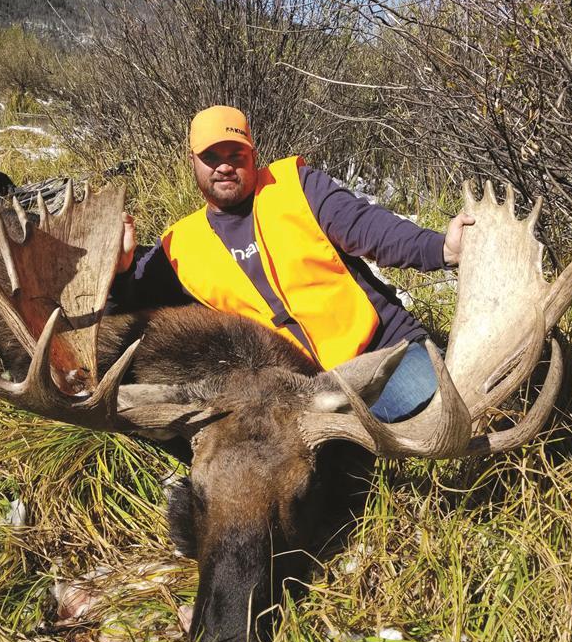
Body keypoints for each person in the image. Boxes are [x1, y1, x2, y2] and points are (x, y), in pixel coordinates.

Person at [112, 105, 474, 422]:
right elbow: (127, 311)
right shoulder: (179, 245)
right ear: (192, 161)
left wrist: (441, 248)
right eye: (211, 157)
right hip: (297, 394)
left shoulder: (298, 188)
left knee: (456, 417)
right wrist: (121, 269)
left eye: (236, 154)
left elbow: (370, 228)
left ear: (252, 155)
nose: (224, 166)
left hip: (382, 355)